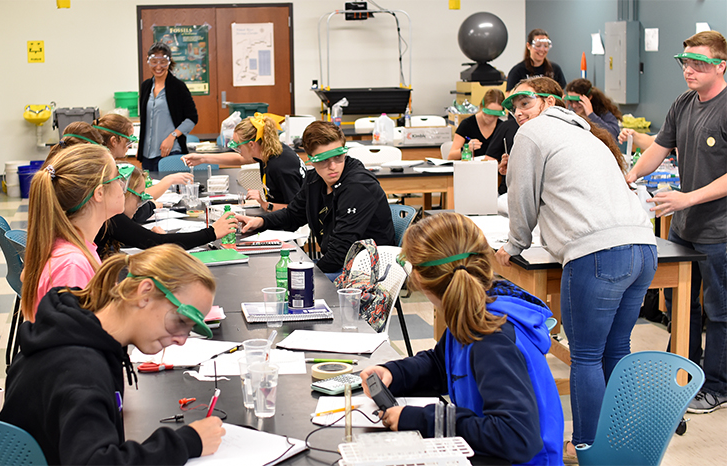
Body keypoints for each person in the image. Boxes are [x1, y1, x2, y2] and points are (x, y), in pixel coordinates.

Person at [496, 76, 658, 463]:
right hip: (643, 248)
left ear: (549, 102)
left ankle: (585, 447)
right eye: (512, 107)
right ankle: (618, 442)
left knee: (585, 355)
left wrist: (514, 245)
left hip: (599, 254)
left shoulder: (533, 134)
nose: (518, 113)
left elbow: (521, 198)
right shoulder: (588, 132)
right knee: (616, 348)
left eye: (525, 103)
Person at [360, 213, 563, 465]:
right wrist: (394, 373)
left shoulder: (491, 338)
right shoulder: (472, 311)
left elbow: (516, 436)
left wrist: (423, 420)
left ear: (421, 279)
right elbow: (440, 364)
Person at [0, 246, 226, 465]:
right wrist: (186, 442)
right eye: (180, 321)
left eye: (190, 329)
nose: (182, 339)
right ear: (144, 292)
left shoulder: (73, 325)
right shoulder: (81, 371)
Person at [626, 30, 727, 414]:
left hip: (719, 230)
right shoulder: (683, 103)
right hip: (686, 227)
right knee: (682, 304)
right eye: (685, 61)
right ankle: (683, 377)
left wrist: (689, 197)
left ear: (721, 65)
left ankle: (717, 386)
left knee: (720, 310)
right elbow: (658, 147)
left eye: (699, 63)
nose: (689, 70)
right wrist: (630, 177)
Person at [236, 121, 395, 278]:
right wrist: (260, 221)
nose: (333, 166)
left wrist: (305, 276)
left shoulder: (358, 187)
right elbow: (293, 215)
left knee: (285, 281)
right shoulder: (315, 180)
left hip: (365, 271)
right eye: (323, 159)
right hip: (339, 263)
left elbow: (340, 252)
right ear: (311, 159)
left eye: (338, 156)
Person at [21, 144, 127, 321]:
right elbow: (72, 343)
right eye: (117, 177)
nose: (122, 184)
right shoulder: (71, 265)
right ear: (99, 193)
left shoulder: (78, 248)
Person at [95, 166, 237, 257]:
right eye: (140, 197)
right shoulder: (112, 218)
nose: (140, 205)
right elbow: (157, 242)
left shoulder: (108, 217)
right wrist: (212, 232)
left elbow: (143, 239)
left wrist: (148, 236)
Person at [183, 113, 306, 211]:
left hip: (292, 224)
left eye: (238, 146)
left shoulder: (280, 166)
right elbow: (241, 159)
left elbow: (298, 209)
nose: (237, 150)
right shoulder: (271, 150)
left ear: (251, 144)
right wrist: (203, 158)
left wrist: (265, 204)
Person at [137, 43, 198, 172]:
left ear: (169, 62)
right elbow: (145, 121)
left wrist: (173, 136)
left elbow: (192, 118)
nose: (158, 67)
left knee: (171, 191)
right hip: (147, 154)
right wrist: (140, 147)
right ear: (148, 61)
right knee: (150, 190)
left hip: (170, 152)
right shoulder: (145, 86)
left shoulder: (178, 87)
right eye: (154, 62)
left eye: (163, 62)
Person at [446, 89, 505, 160]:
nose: (491, 118)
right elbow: (451, 156)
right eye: (488, 114)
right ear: (482, 106)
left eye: (496, 115)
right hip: (469, 169)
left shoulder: (502, 127)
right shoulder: (467, 125)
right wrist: (467, 149)